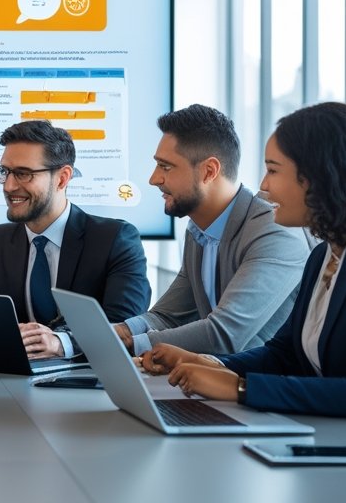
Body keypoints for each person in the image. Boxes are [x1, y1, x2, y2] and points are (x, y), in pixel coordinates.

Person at [140, 102, 346, 459]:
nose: (263, 187)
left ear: (319, 179)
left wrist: (240, 387)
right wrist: (211, 364)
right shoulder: (323, 257)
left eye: (273, 171)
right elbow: (285, 354)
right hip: (342, 442)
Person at [115, 105, 310, 355]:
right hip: (214, 380)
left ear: (209, 171)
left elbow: (224, 335)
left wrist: (132, 343)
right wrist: (117, 332)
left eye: (166, 167)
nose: (154, 179)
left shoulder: (274, 230)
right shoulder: (198, 229)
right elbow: (168, 316)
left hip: (262, 386)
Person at [0, 120, 150, 359]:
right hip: (15, 378)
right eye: (5, 172)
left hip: (89, 383)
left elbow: (126, 325)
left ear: (62, 178)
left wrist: (61, 342)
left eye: (23, 174)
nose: (9, 186)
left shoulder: (115, 239)